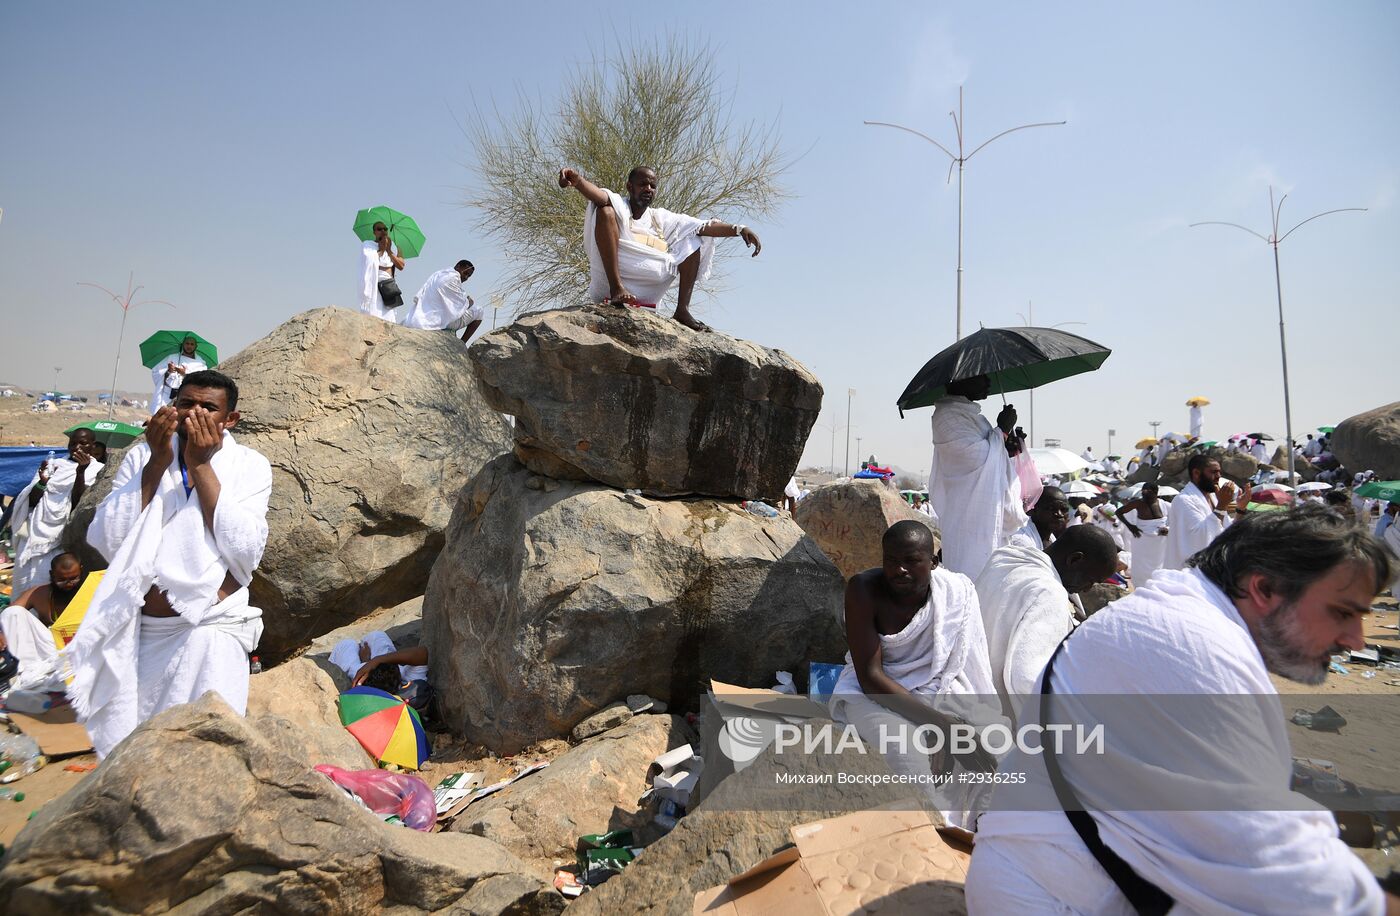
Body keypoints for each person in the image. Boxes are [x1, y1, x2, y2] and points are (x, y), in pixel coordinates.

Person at [966, 505, 1395, 914]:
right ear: (1264, 589)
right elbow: (1271, 862)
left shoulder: (1183, 618)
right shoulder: (1193, 645)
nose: (1356, 640)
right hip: (1063, 898)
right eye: (1341, 613)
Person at [66, 370, 272, 759]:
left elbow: (245, 550)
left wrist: (200, 466)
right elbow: (110, 539)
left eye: (208, 407)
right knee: (136, 748)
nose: (194, 413)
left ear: (230, 420)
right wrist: (158, 463)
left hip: (210, 631)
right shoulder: (144, 455)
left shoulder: (250, 465)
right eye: (186, 403)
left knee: (207, 750)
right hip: (143, 633)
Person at [829, 521, 1005, 831]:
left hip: (939, 684)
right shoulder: (863, 590)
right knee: (908, 756)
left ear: (933, 562)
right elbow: (870, 677)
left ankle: (984, 836)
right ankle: (928, 841)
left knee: (995, 745)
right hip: (875, 691)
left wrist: (953, 724)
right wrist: (941, 724)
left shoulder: (956, 592)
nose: (899, 570)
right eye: (891, 560)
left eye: (911, 561)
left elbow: (961, 664)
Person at [557, 165, 761, 332]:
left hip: (649, 289)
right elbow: (601, 197)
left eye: (652, 186)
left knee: (692, 239)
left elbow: (702, 225)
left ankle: (682, 310)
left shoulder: (659, 218)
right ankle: (617, 288)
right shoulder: (620, 204)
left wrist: (739, 229)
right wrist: (578, 182)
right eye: (643, 184)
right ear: (630, 186)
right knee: (605, 212)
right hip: (610, 285)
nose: (648, 189)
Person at [975, 525, 1118, 724]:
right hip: (1001, 716)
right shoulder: (1049, 592)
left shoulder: (1005, 559)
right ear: (1075, 560)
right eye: (1091, 580)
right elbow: (1027, 678)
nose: (1087, 589)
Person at [927, 375, 1027, 578]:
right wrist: (1002, 431)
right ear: (959, 380)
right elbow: (975, 458)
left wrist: (1006, 448)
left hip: (986, 517)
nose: (988, 382)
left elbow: (991, 457)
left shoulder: (974, 418)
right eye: (981, 378)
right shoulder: (946, 416)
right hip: (966, 517)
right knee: (971, 580)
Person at [9, 429, 103, 593]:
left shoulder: (98, 470)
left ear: (93, 446)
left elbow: (79, 504)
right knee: (22, 586)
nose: (77, 447)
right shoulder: (55, 464)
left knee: (49, 586)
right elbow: (31, 501)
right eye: (73, 443)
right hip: (33, 537)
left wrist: (80, 472)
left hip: (60, 540)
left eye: (83, 443)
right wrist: (42, 483)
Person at [0, 552, 84, 690]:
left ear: (81, 570)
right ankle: (20, 671)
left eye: (74, 579)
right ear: (52, 575)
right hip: (50, 650)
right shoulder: (39, 593)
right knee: (12, 613)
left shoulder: (91, 591)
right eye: (62, 580)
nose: (69, 584)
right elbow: (10, 615)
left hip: (78, 648)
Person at [1162, 455, 1249, 570]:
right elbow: (1199, 538)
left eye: (1219, 472)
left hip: (1213, 569)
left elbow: (1227, 532)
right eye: (1213, 472)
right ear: (1196, 473)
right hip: (1189, 574)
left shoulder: (1214, 498)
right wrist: (1222, 505)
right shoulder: (1184, 500)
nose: (1218, 477)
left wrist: (1241, 509)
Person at [329, 631, 432, 712]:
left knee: (347, 644)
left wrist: (368, 662)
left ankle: (362, 656)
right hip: (374, 671)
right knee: (376, 635)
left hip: (356, 670)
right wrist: (377, 660)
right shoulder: (410, 690)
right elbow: (422, 653)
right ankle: (373, 657)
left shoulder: (355, 674)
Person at [399, 260, 484, 341]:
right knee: (479, 311)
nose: (466, 277)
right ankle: (462, 343)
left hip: (417, 317)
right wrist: (468, 301)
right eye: (465, 273)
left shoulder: (439, 274)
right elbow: (460, 304)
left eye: (468, 276)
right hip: (435, 320)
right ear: (458, 267)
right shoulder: (453, 277)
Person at [1119, 481, 1169, 585]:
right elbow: (1119, 512)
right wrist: (1130, 526)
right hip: (1142, 539)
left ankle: (1157, 584)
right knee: (1141, 566)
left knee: (1160, 565)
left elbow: (1177, 519)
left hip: (1160, 543)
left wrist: (1168, 528)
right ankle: (1141, 584)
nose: (1144, 494)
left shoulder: (1164, 505)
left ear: (1155, 492)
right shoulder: (1138, 503)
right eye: (1143, 492)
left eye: (1147, 492)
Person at [149, 335, 209, 414]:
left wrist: (185, 374)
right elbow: (156, 372)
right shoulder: (172, 358)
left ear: (196, 346)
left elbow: (201, 381)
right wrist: (168, 371)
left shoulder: (200, 364)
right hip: (167, 396)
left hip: (186, 397)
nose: (189, 346)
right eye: (187, 343)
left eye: (192, 344)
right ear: (183, 344)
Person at [359, 221, 406, 320]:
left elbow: (401, 266)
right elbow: (368, 261)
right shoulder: (368, 245)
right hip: (373, 285)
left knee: (389, 317)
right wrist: (381, 249)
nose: (383, 231)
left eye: (385, 229)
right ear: (374, 232)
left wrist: (389, 251)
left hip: (388, 286)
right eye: (379, 229)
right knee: (372, 314)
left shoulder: (395, 247)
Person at [1007, 486, 1069, 552]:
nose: (1060, 514)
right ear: (1033, 510)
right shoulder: (1022, 538)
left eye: (1063, 509)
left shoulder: (1050, 536)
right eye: (1051, 508)